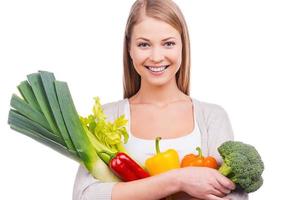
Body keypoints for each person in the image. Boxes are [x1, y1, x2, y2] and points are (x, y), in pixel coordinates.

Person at [73, 0, 248, 199]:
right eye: (144, 44)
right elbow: (85, 195)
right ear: (129, 49)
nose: (156, 57)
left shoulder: (212, 117)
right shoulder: (108, 116)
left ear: (183, 45)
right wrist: (178, 180)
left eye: (168, 43)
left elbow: (233, 196)